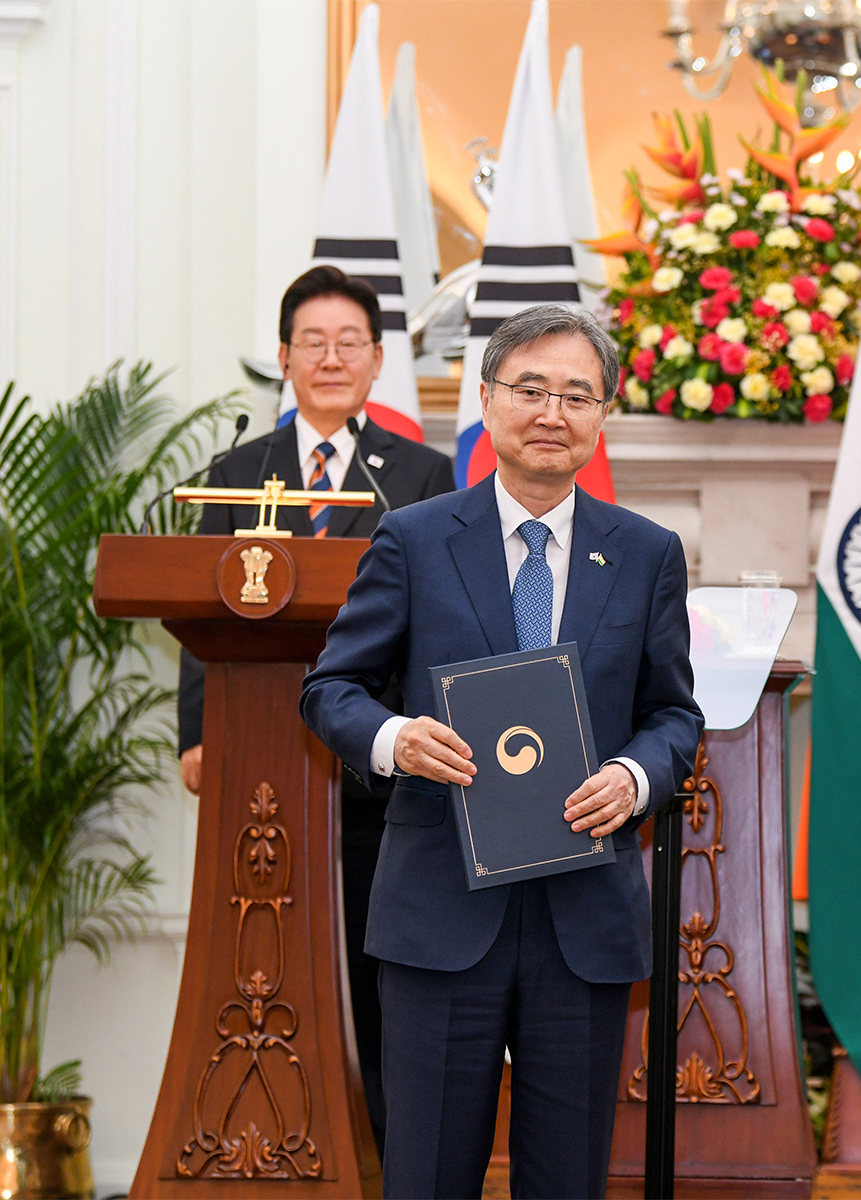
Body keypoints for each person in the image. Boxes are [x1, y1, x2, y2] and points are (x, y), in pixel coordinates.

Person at [299, 304, 703, 1199]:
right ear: (487, 401)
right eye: (531, 389)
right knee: (428, 1174)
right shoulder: (412, 538)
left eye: (577, 395)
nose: (552, 413)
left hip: (582, 914)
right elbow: (330, 691)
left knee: (567, 1180)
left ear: (603, 417)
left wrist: (635, 777)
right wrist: (399, 739)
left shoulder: (645, 554)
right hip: (442, 910)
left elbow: (674, 715)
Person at [176, 265, 455, 1152]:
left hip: (382, 772)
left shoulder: (421, 474)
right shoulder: (235, 472)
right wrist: (196, 734)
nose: (330, 359)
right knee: (263, 968)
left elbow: (444, 620)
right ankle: (262, 1143)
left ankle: (379, 1151)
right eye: (312, 343)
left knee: (380, 980)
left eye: (349, 344)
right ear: (286, 360)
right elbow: (197, 615)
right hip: (258, 775)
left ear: (376, 361)